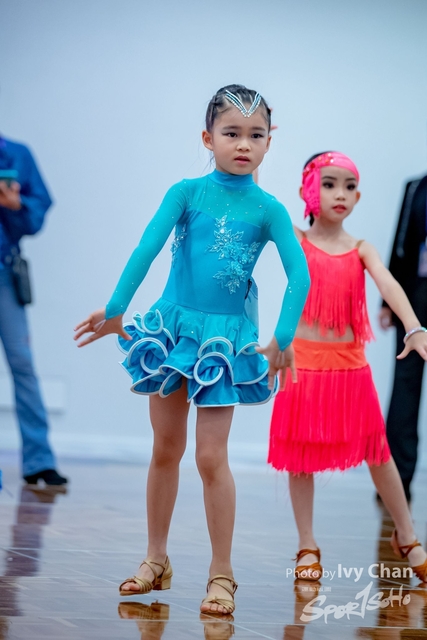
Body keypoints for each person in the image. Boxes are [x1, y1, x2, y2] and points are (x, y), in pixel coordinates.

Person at [74, 85, 310, 614]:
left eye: (256, 135)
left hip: (223, 343)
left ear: (269, 142)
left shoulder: (269, 209)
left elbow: (300, 274)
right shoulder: (185, 192)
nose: (243, 144)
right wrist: (116, 308)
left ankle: (222, 573)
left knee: (210, 457)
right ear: (208, 138)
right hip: (175, 331)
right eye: (232, 133)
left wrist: (283, 337)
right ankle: (155, 558)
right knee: (165, 448)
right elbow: (148, 246)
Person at [268, 151, 427, 584]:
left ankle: (407, 534)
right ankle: (307, 544)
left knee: (378, 451)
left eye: (350, 186)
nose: (340, 194)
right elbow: (260, 203)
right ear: (307, 190)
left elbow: (389, 284)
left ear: (358, 197)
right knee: (300, 455)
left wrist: (414, 327)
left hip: (349, 367)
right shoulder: (296, 240)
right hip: (302, 363)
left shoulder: (361, 249)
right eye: (329, 183)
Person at [0, 135, 67, 487]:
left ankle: (39, 461)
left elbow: (35, 215)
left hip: (5, 273)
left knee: (23, 365)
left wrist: (16, 205)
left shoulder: (17, 154)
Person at [379, 173, 427, 503]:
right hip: (415, 297)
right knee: (405, 388)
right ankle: (396, 482)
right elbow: (402, 241)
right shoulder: (416, 187)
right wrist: (387, 303)